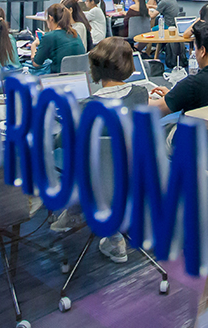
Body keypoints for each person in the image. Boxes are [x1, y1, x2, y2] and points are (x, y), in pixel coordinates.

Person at [50, 37, 136, 262]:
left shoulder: (86, 106)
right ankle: (77, 213)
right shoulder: (140, 95)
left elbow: (59, 141)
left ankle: (86, 219)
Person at [149, 21, 208, 115]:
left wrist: (141, 96)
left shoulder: (192, 84)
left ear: (203, 51)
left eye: (196, 49)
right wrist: (174, 95)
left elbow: (156, 110)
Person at [28, 3, 85, 75]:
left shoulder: (49, 36)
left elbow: (36, 64)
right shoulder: (74, 33)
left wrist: (33, 46)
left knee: (27, 66)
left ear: (51, 18)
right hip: (78, 77)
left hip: (58, 77)